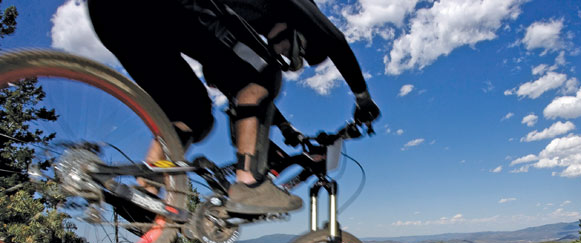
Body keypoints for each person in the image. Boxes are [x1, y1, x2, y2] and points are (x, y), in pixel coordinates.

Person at [87, 0, 380, 215]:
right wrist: (363, 98)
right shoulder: (293, 7)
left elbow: (236, 89)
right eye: (297, 52)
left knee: (194, 115)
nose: (288, 58)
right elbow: (335, 40)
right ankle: (249, 185)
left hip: (114, 17)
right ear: (296, 33)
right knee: (267, 74)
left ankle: (144, 190)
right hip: (166, 9)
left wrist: (287, 129)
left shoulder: (241, 18)